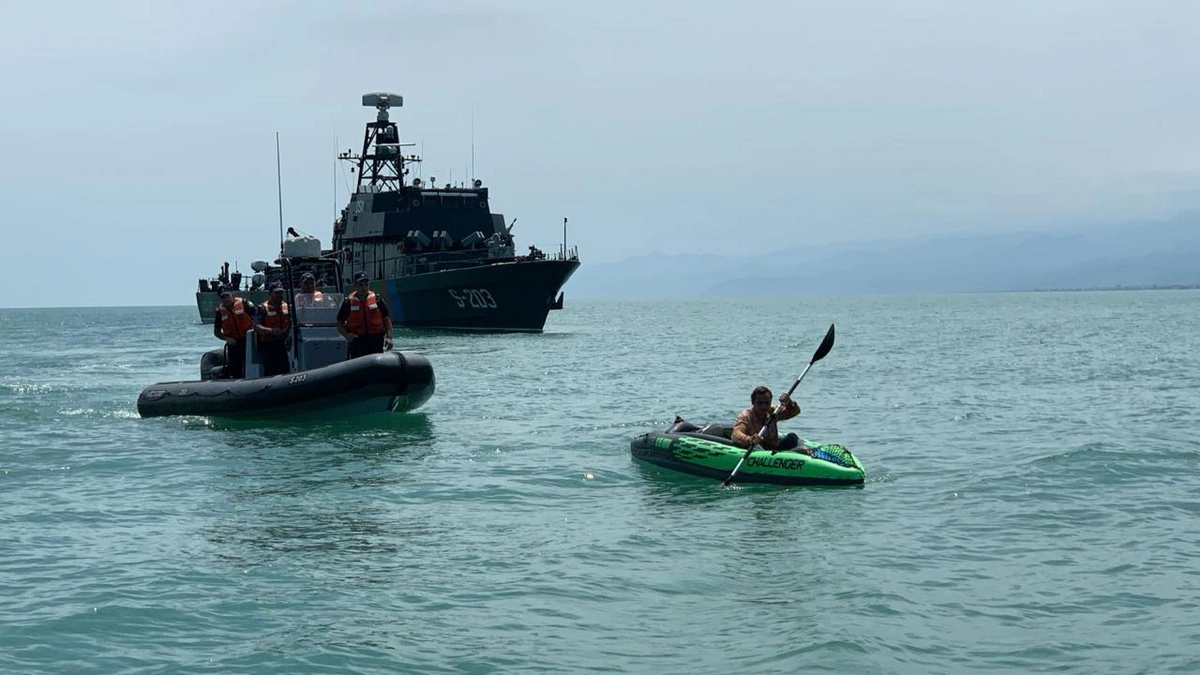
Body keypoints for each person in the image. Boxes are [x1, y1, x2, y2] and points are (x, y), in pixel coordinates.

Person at [337, 271, 393, 358]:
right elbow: (339, 323)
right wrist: (347, 335)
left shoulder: (378, 300)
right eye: (360, 285)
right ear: (355, 286)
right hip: (357, 341)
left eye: (366, 284)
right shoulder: (348, 302)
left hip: (376, 340)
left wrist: (389, 337)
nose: (364, 288)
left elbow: (387, 319)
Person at [731, 386, 802, 452]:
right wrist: (750, 440)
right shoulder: (746, 416)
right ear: (753, 402)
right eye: (760, 403)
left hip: (773, 450)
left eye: (767, 403)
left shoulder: (773, 412)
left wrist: (789, 402)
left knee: (792, 437)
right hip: (755, 451)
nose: (764, 406)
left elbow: (795, 412)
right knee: (757, 446)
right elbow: (736, 434)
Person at [213, 286, 257, 379]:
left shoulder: (245, 303)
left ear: (231, 294)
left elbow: (258, 319)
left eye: (227, 295)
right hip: (233, 343)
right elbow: (216, 332)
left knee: (252, 364)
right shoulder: (220, 311)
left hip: (248, 341)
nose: (225, 299)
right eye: (223, 297)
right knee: (236, 369)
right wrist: (227, 339)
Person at [254, 282, 291, 377]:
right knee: (271, 371)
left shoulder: (288, 307)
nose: (279, 295)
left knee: (285, 370)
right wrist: (271, 331)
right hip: (268, 345)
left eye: (280, 293)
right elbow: (257, 326)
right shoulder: (262, 308)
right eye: (276, 293)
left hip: (283, 344)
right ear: (270, 294)